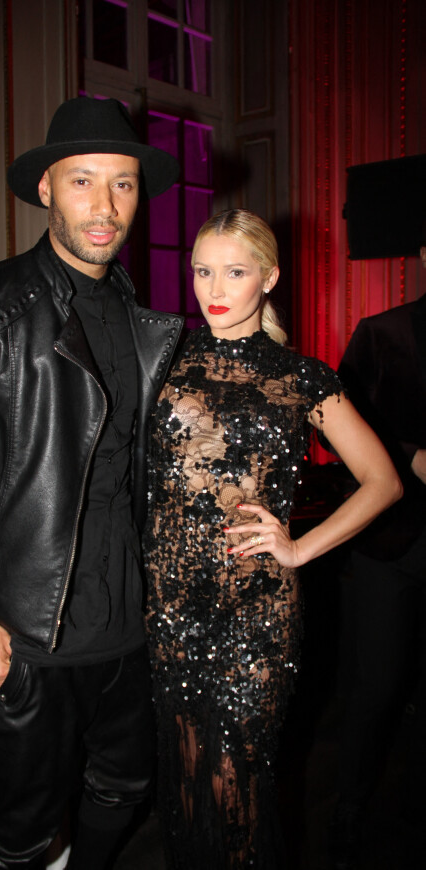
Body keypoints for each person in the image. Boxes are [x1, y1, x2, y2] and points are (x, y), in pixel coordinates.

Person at [0, 96, 183, 870]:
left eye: (122, 184)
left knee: (124, 785)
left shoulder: (140, 317)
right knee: (16, 829)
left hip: (129, 627)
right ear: (46, 189)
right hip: (28, 633)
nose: (105, 205)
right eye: (83, 181)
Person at [143, 209, 402, 869]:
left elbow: (382, 480)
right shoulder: (162, 361)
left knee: (238, 785)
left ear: (270, 277)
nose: (214, 287)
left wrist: (299, 548)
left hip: (255, 611)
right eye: (202, 270)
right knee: (186, 783)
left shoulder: (301, 377)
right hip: (170, 610)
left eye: (234, 270)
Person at [328, 240, 426, 869]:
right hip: (391, 543)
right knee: (374, 690)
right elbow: (340, 429)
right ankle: (344, 827)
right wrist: (412, 457)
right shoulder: (381, 332)